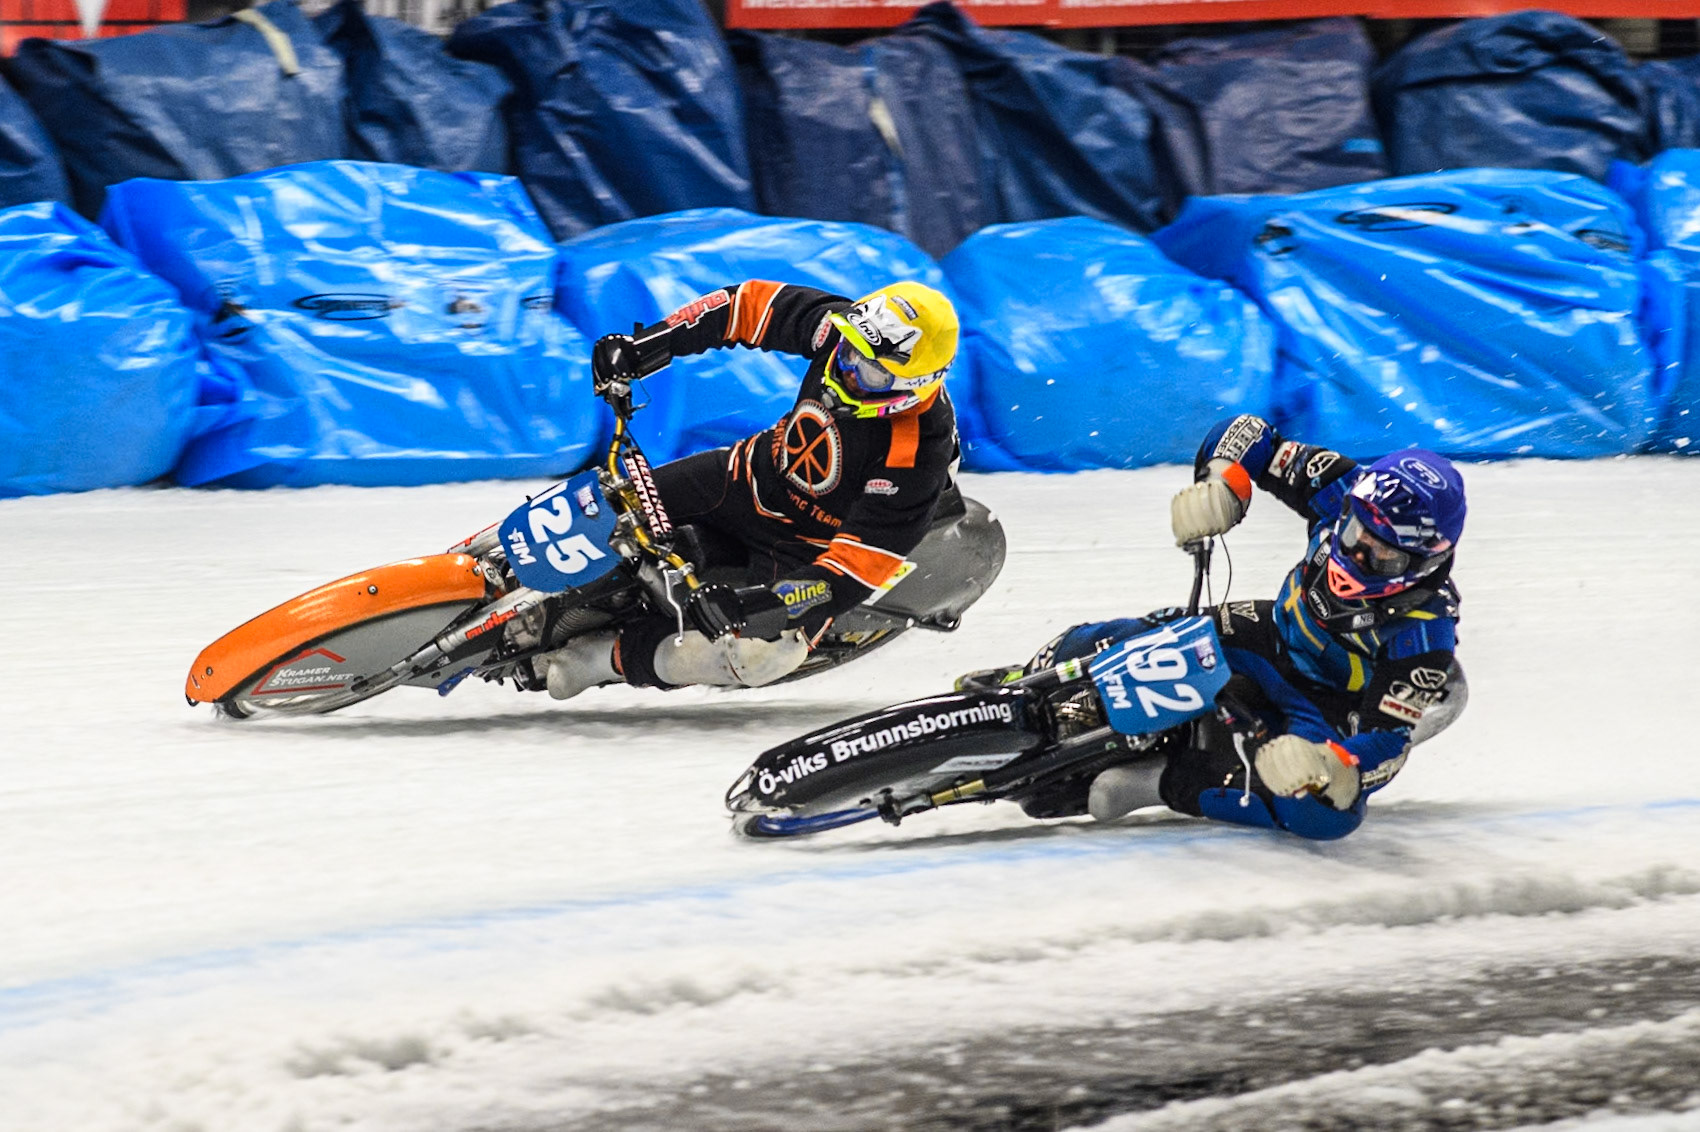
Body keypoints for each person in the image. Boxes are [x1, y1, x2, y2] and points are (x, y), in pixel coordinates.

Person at [967, 414, 1467, 841]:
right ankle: (1027, 676)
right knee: (1137, 636)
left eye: (1383, 555)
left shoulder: (1426, 633)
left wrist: (1331, 765)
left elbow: (1386, 745)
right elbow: (1249, 433)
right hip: (1272, 630)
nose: (1358, 555)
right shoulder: (1344, 488)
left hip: (1327, 699)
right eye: (1358, 533)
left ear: (1424, 562)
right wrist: (1224, 484)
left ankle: (1160, 782)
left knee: (1322, 816)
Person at [537, 279, 962, 699]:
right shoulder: (838, 328)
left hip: (807, 548)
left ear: (915, 385)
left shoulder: (920, 452)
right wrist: (648, 345)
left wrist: (756, 606)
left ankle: (601, 661)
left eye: (872, 371)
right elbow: (746, 306)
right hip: (744, 477)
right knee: (608, 498)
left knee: (757, 659)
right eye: (851, 350)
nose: (848, 370)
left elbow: (854, 570)